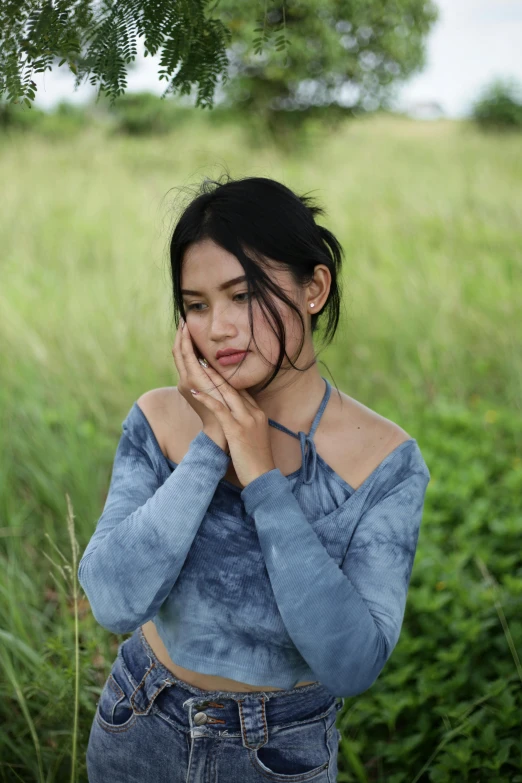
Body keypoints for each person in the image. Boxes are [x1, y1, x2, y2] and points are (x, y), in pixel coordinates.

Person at [79, 174, 430, 782]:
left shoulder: (384, 460)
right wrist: (213, 443)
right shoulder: (160, 419)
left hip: (277, 756)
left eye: (243, 295)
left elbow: (351, 665)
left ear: (314, 287)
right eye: (196, 305)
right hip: (138, 722)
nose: (219, 329)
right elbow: (113, 601)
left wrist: (262, 474)